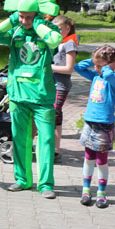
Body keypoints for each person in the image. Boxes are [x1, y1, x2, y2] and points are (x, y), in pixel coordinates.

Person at [0, 0, 63, 199]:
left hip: (42, 97)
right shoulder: (15, 31)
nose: (24, 21)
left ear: (37, 15)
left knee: (46, 140)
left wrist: (38, 24)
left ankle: (46, 184)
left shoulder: (48, 31)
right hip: (18, 95)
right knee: (19, 138)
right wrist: (11, 20)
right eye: (20, 16)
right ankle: (22, 179)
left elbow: (53, 41)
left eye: (27, 17)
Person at [74, 46, 115, 209]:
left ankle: (101, 192)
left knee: (102, 161)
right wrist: (95, 60)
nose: (96, 69)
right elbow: (78, 67)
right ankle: (86, 190)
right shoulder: (96, 75)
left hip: (104, 124)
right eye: (96, 65)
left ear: (111, 64)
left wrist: (108, 65)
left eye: (100, 66)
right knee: (88, 158)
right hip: (90, 122)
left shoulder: (114, 78)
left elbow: (109, 74)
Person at [51, 15, 78, 161]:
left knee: (54, 114)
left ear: (67, 29)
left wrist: (49, 68)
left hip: (60, 85)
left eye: (59, 29)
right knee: (54, 115)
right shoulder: (56, 43)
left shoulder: (69, 44)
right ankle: (53, 149)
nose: (56, 32)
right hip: (50, 84)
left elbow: (69, 68)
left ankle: (55, 150)